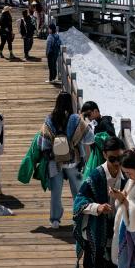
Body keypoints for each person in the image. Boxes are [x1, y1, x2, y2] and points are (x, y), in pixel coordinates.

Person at [74, 137, 128, 268]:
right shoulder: (96, 176)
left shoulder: (127, 178)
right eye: (113, 159)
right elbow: (79, 201)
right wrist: (97, 208)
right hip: (95, 241)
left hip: (117, 242)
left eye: (120, 158)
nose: (117, 163)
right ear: (104, 155)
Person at [39, 91, 94, 228]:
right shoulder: (76, 119)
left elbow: (43, 142)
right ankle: (79, 216)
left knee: (56, 193)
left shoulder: (49, 119)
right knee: (78, 191)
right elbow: (90, 138)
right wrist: (87, 123)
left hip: (55, 161)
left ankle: (55, 220)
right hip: (74, 161)